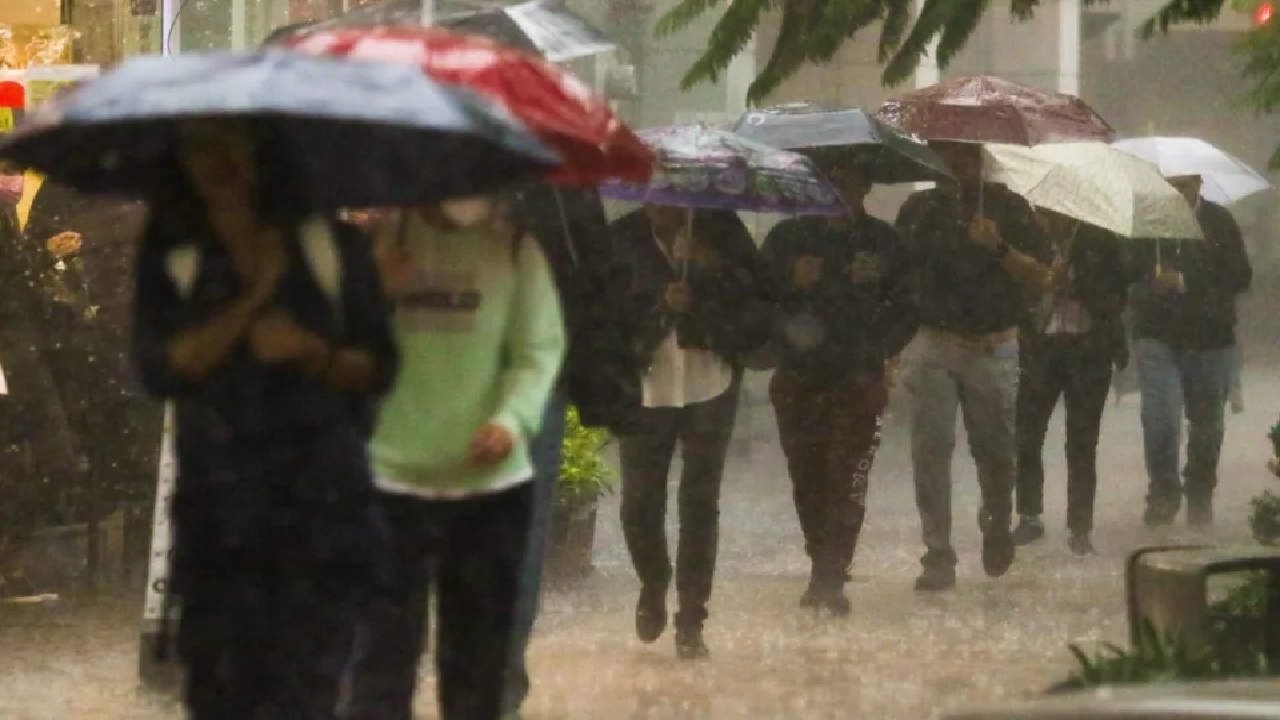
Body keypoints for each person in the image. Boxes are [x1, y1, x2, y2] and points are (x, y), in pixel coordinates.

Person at [132, 118, 398, 719]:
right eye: (202, 151)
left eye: (232, 150)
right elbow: (160, 369)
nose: (218, 166)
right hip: (218, 529)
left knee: (308, 694)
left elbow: (379, 368)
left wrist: (314, 353)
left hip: (323, 523)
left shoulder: (334, 248)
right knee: (221, 697)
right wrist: (250, 302)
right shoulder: (174, 255)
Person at [345, 196, 566, 720]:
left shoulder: (514, 250)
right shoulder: (378, 243)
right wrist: (372, 291)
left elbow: (538, 351)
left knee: (477, 670)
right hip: (388, 482)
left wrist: (511, 420)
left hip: (489, 490)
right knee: (378, 667)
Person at [496, 184, 640, 719]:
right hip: (432, 380)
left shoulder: (561, 188)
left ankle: (498, 684)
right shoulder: (415, 173)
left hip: (533, 380)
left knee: (520, 536)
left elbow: (593, 282)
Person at [610, 204, 773, 659]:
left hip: (711, 381)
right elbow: (604, 315)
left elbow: (759, 298)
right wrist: (660, 307)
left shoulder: (722, 228)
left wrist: (708, 269)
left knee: (700, 500)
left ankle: (692, 617)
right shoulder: (621, 237)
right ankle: (653, 582)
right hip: (645, 387)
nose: (661, 204)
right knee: (639, 503)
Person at [895, 141, 1053, 592]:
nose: (957, 166)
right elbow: (899, 278)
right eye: (947, 156)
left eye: (965, 156)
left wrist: (999, 247)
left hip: (994, 344)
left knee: (997, 450)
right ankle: (937, 551)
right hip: (933, 342)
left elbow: (1044, 275)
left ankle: (998, 517)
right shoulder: (919, 211)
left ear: (981, 159)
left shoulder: (1011, 207)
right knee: (931, 450)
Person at [761, 157, 916, 613]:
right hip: (798, 380)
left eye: (847, 183)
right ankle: (820, 560)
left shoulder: (884, 241)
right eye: (828, 182)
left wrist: (878, 347)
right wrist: (792, 282)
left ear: (865, 187)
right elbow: (756, 303)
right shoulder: (787, 239)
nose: (837, 191)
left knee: (848, 478)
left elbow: (908, 305)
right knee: (807, 479)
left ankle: (831, 574)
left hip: (859, 380)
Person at [1131, 174, 1252, 527]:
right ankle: (1163, 493)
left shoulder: (1219, 221)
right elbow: (1125, 275)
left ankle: (1199, 492)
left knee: (1207, 424)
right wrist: (1149, 284)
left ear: (1198, 184)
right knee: (1160, 417)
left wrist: (1186, 281)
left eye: (1182, 185)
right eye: (1169, 185)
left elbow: (1239, 275)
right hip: (1158, 335)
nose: (1176, 193)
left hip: (1210, 338)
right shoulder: (1146, 225)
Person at [1012, 210, 1135, 556]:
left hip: (1089, 348)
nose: (1047, 217)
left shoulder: (1100, 240)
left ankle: (1080, 526)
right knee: (1027, 433)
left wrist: (1078, 282)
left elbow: (1117, 294)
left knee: (1082, 440)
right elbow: (1016, 289)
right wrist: (1044, 281)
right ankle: (1029, 514)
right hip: (1041, 347)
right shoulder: (1030, 239)